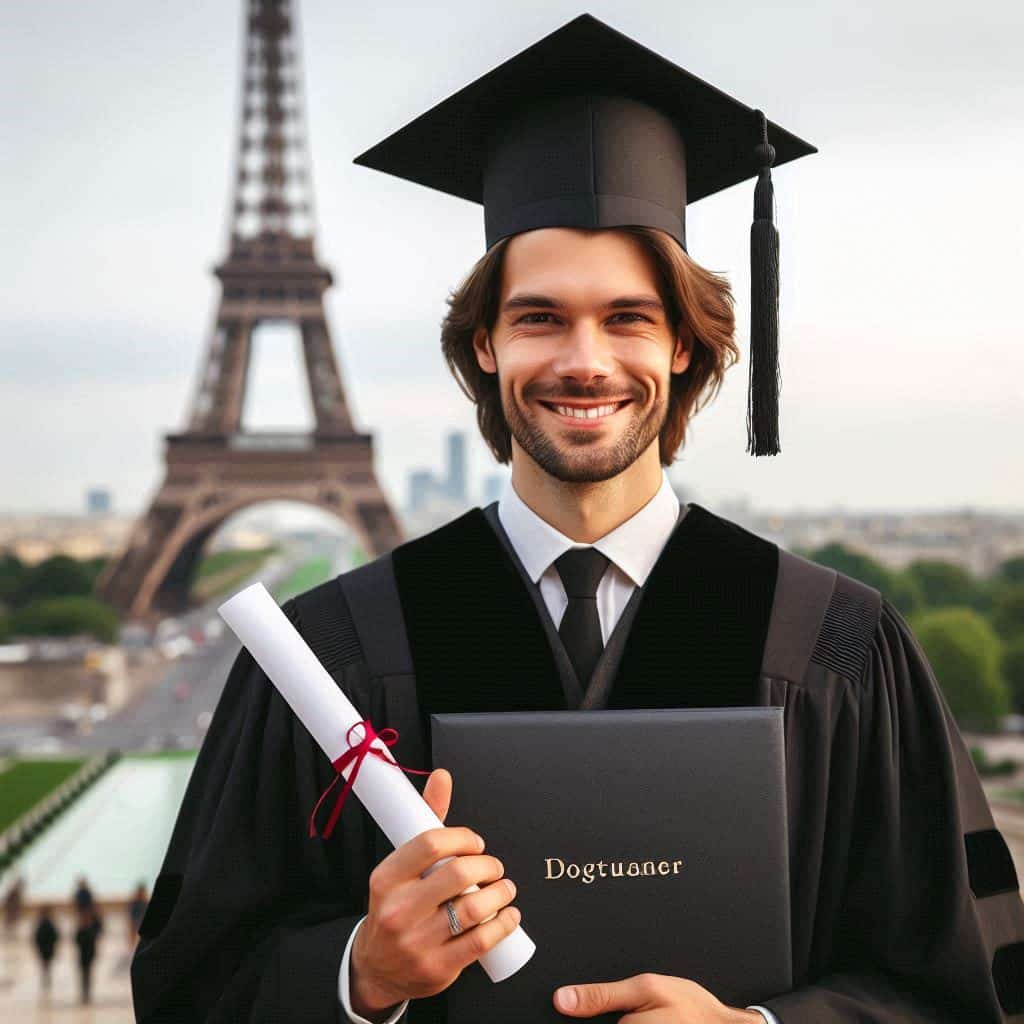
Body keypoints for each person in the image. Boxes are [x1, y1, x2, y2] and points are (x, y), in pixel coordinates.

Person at [131, 12, 1024, 1024]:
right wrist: (357, 975)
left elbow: (960, 986)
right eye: (539, 316)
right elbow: (188, 987)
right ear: (482, 347)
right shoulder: (334, 649)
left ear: (685, 345)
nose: (585, 360)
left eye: (628, 318)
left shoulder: (834, 645)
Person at [74, 903, 103, 1005]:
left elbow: (93, 939)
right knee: (84, 975)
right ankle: (84, 993)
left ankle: (87, 993)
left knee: (88, 974)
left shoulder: (91, 929)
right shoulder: (82, 929)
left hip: (89, 955)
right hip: (83, 956)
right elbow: (77, 941)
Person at [32, 905, 59, 994]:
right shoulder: (47, 923)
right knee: (46, 965)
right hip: (46, 948)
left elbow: (55, 936)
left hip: (46, 948)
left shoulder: (44, 924)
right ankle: (46, 979)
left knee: (45, 965)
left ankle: (46, 979)